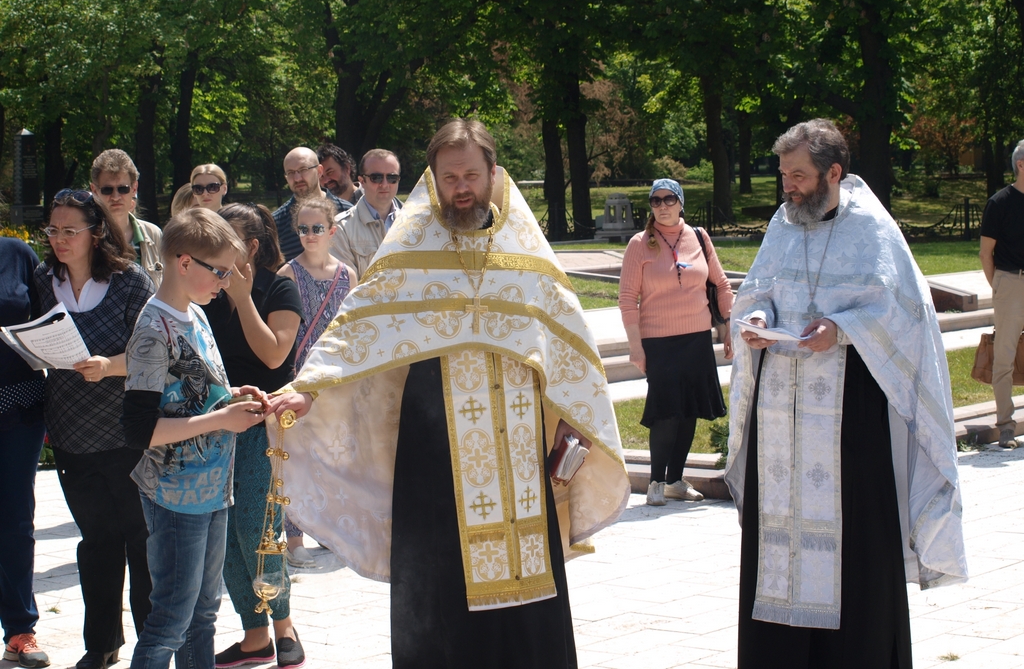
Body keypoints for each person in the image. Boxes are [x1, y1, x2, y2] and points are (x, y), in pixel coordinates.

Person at [268, 119, 630, 668]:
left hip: (518, 450)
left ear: (493, 174)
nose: (461, 188)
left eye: (471, 176)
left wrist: (575, 417)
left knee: (527, 583)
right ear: (433, 180)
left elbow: (567, 340)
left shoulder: (525, 253)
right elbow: (359, 324)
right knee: (437, 586)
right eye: (449, 177)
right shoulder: (410, 250)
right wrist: (309, 388)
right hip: (434, 449)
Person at [725, 119, 968, 668]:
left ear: (833, 172)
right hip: (779, 420)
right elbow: (758, 291)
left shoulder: (873, 231)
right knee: (775, 544)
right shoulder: (783, 224)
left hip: (849, 419)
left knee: (856, 545)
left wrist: (842, 328)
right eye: (783, 174)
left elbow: (903, 314)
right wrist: (757, 317)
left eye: (798, 175)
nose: (787, 186)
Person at [121, 208, 270, 669]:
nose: (226, 282)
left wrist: (232, 395)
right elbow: (140, 430)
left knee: (203, 615)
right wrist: (221, 420)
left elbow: (197, 393)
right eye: (220, 271)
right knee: (171, 621)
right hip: (174, 497)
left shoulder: (196, 313)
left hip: (213, 490)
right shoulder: (152, 330)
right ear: (184, 262)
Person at [34, 189, 156, 669]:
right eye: (53, 230)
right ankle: (101, 644)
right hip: (70, 433)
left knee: (142, 540)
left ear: (97, 232)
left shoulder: (130, 281)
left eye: (70, 230)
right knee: (97, 541)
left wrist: (108, 365)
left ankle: (153, 645)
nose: (59, 239)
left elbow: (156, 352)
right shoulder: (43, 280)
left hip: (127, 432)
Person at [202, 204, 305, 669]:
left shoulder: (279, 288)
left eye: (226, 241)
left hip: (266, 427)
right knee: (223, 534)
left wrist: (243, 299)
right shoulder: (206, 290)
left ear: (253, 246)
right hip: (216, 423)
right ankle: (254, 634)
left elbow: (273, 356)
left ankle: (284, 627)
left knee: (256, 529)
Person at [619, 178, 733, 507]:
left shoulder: (699, 237)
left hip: (696, 339)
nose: (663, 205)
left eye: (669, 199)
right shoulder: (640, 243)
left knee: (688, 411)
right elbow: (627, 299)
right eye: (656, 200)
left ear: (681, 203)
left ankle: (675, 481)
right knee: (666, 412)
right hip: (658, 341)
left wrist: (727, 327)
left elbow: (721, 284)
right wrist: (636, 346)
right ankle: (656, 482)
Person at [276, 197, 354, 568]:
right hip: (300, 376)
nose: (309, 235)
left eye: (317, 228)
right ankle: (294, 539)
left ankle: (328, 529)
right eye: (303, 229)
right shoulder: (287, 273)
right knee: (297, 458)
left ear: (332, 231)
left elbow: (351, 330)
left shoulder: (348, 274)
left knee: (333, 455)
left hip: (335, 379)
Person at [0, 238, 49, 669]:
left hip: (19, 409)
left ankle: (20, 629)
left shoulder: (17, 255)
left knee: (16, 521)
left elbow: (49, 321)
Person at [979, 141, 1024, 449]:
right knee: (1005, 357)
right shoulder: (999, 203)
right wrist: (999, 287)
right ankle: (1006, 426)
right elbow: (986, 253)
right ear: (1021, 165)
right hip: (1010, 282)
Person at [90, 149, 164, 288]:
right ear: (94, 191)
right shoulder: (86, 237)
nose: (115, 197)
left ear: (134, 188)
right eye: (107, 190)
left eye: (123, 189)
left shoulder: (154, 234)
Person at [330, 149, 403, 279]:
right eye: (376, 178)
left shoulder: (414, 222)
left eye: (392, 178)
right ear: (362, 181)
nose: (384, 184)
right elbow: (346, 285)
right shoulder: (341, 228)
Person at [272, 147, 351, 261]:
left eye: (303, 169)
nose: (297, 178)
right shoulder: (276, 224)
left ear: (319, 171)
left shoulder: (347, 213)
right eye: (291, 173)